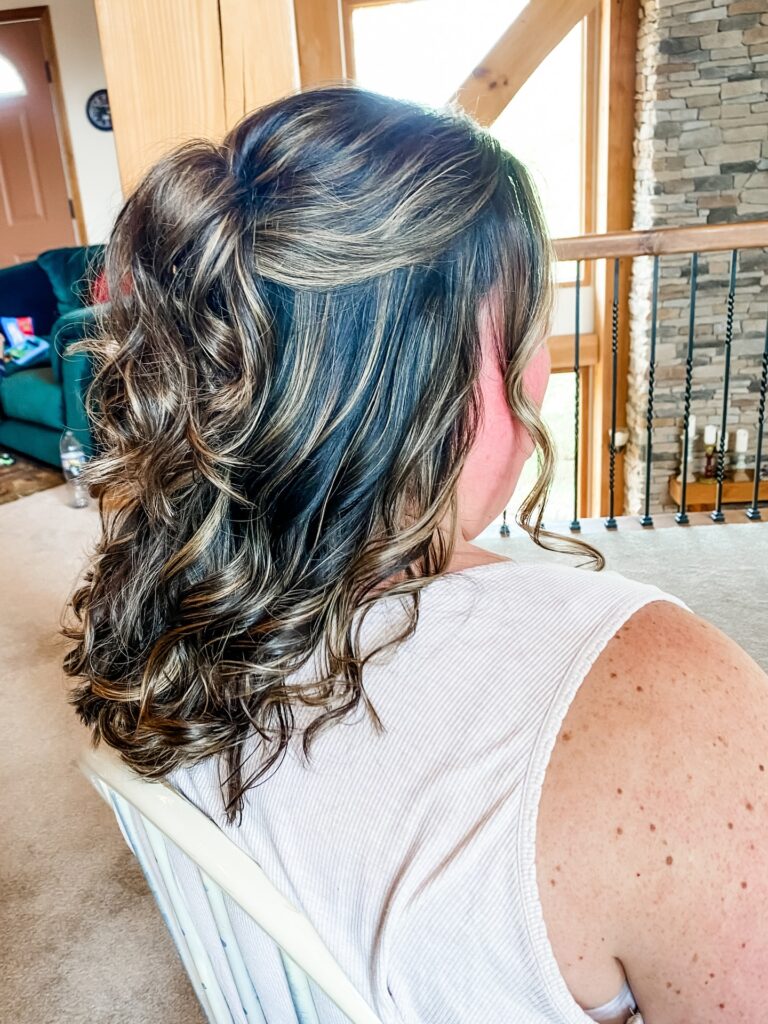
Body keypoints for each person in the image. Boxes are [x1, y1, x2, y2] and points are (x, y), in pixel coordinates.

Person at [65, 86, 768, 1024]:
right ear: (417, 367)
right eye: (521, 321)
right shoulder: (668, 701)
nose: (541, 366)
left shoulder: (178, 590)